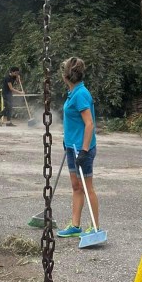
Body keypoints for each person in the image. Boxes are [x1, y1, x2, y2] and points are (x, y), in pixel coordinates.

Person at [56, 56, 100, 239]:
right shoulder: (73, 92)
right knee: (76, 186)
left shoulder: (80, 94)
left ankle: (95, 227)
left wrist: (84, 150)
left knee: (87, 187)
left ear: (65, 75)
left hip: (82, 149)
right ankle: (75, 226)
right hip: (71, 147)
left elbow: (89, 124)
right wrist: (67, 141)